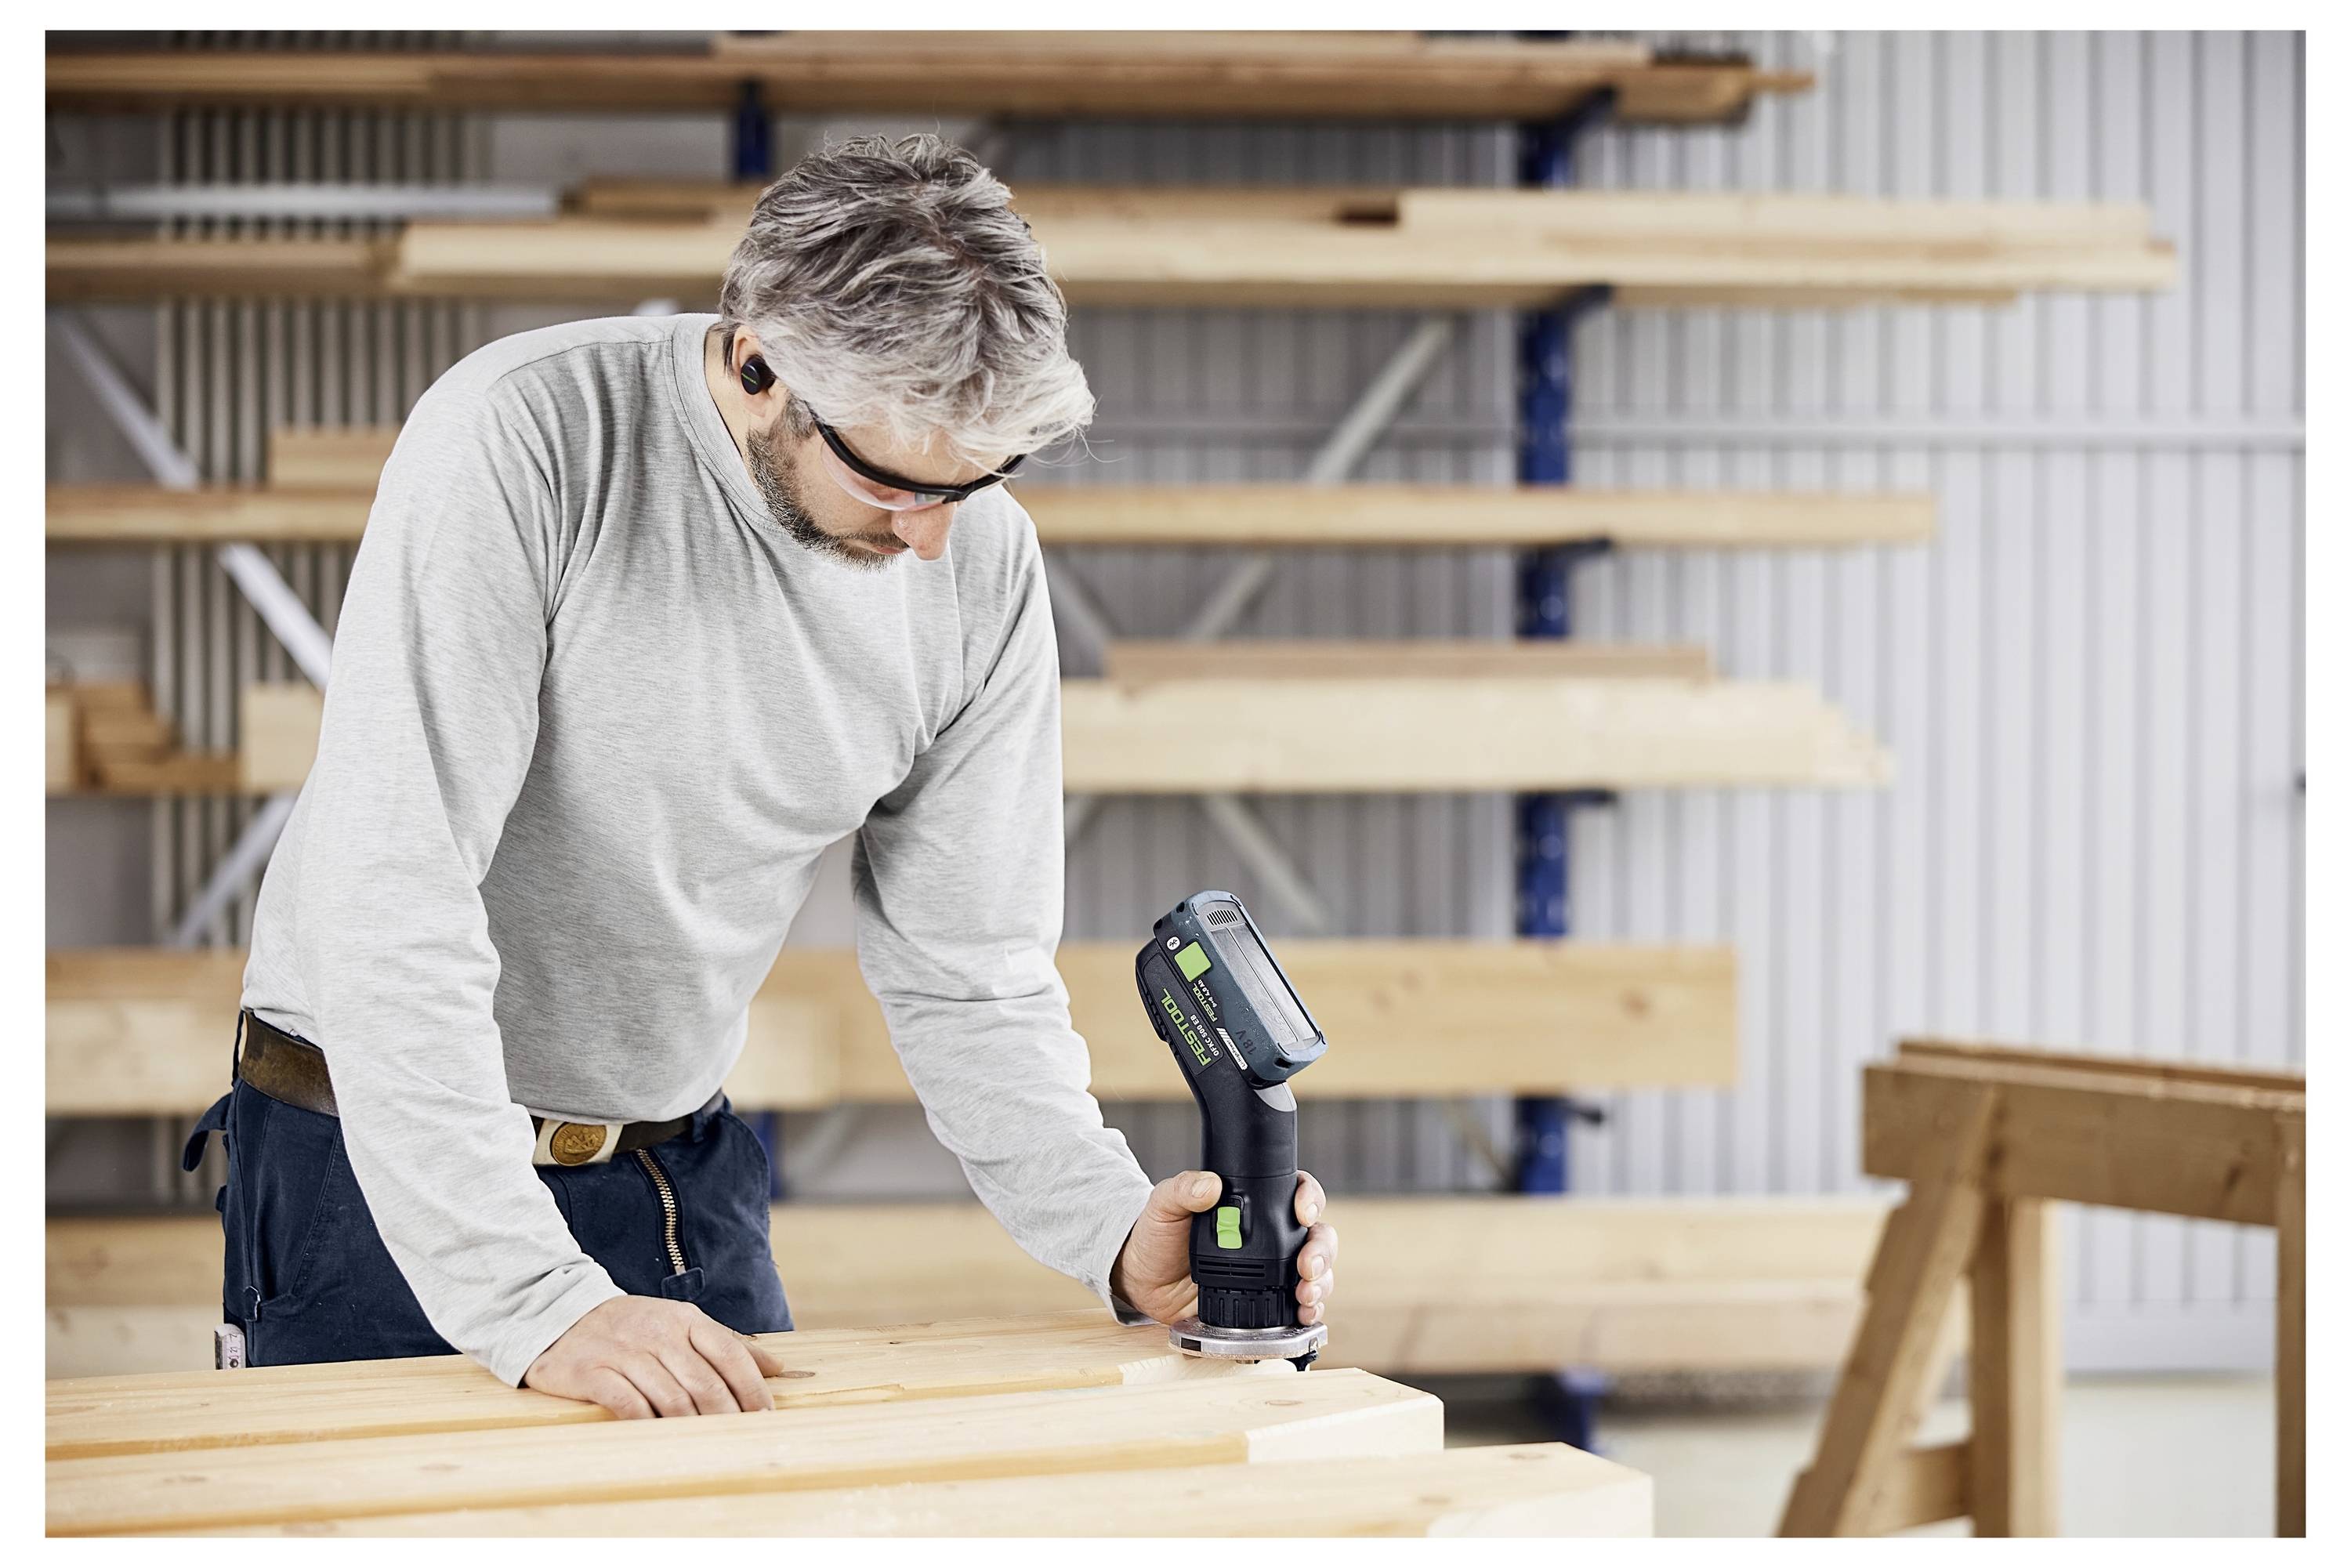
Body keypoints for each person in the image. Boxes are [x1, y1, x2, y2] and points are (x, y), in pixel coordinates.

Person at [183, 133, 1339, 1418]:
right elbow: (395, 896)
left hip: (678, 1167)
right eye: (896, 479)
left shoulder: (977, 559)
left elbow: (972, 974)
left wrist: (1114, 1229)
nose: (934, 534)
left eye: (980, 479)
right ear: (755, 360)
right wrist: (528, 1295)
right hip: (375, 1161)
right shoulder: (526, 443)